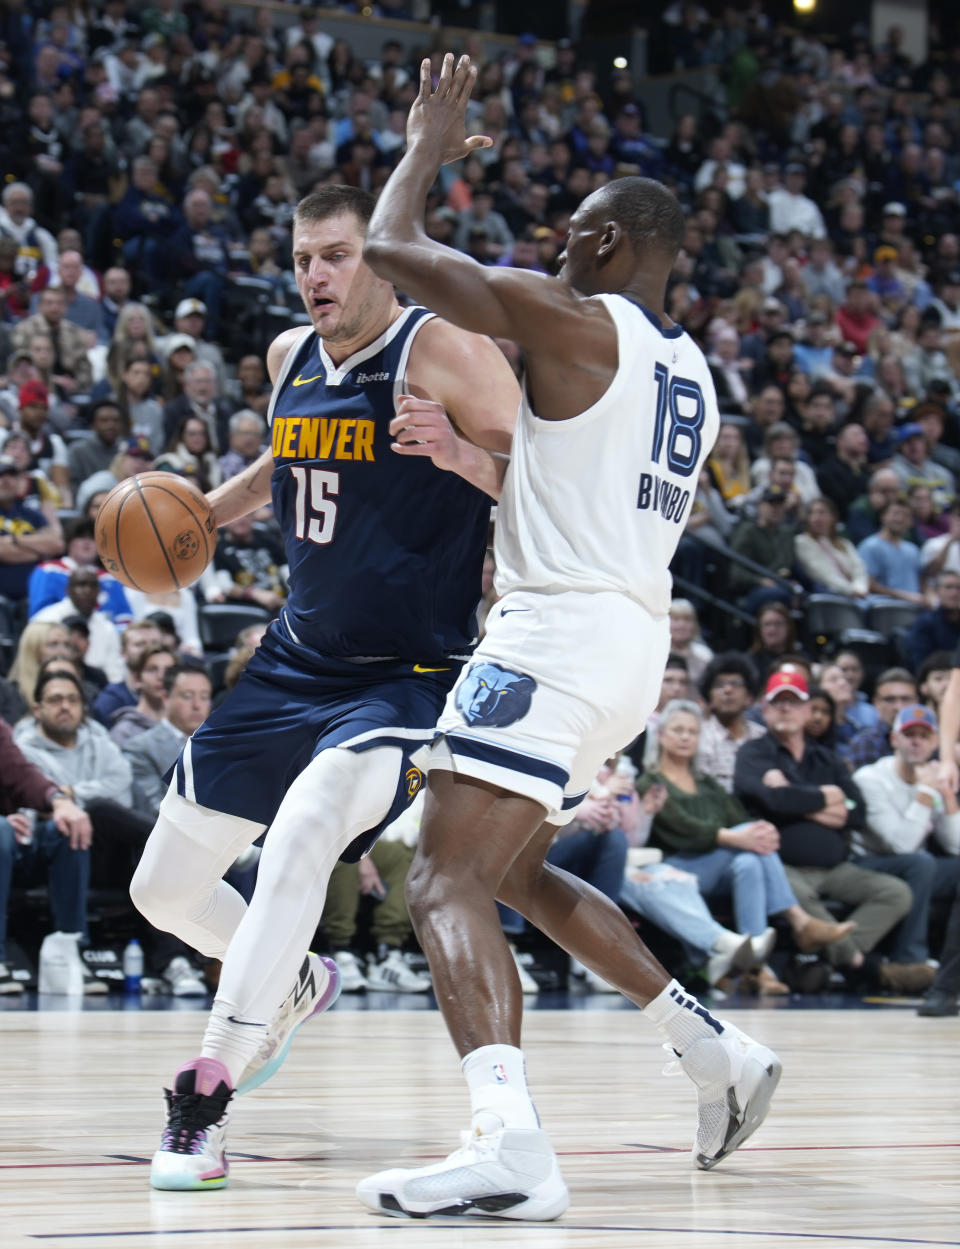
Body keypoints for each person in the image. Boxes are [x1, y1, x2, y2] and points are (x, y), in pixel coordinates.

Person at [355, 55, 781, 1220]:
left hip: (549, 642)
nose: (552, 251)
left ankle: (509, 1147)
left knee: (437, 875)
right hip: (630, 648)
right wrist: (478, 463)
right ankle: (712, 1053)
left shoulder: (575, 318)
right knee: (518, 870)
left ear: (601, 247)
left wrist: (427, 148)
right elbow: (589, 497)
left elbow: (394, 255)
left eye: (568, 236)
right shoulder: (685, 371)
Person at [130, 180, 520, 1192]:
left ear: (381, 259)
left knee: (306, 834)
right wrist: (207, 511)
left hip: (403, 676)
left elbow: (554, 475)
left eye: (337, 255)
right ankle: (296, 978)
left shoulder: (444, 352)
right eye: (304, 257)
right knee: (159, 888)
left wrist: (463, 458)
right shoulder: (288, 358)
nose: (316, 275)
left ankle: (205, 1091)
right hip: (291, 660)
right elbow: (287, 455)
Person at [734, 667, 914, 986]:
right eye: (778, 703)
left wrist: (790, 793)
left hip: (836, 868)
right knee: (802, 900)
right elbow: (766, 799)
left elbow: (857, 811)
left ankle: (824, 960)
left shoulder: (826, 758)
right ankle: (860, 966)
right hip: (781, 864)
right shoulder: (753, 753)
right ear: (765, 709)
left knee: (895, 893)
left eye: (794, 702)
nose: (786, 709)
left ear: (807, 710)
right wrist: (825, 800)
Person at [853, 704, 959, 979]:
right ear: (894, 739)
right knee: (920, 863)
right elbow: (901, 845)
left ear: (936, 742)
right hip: (866, 864)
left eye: (924, 736)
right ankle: (909, 958)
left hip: (917, 866)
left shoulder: (933, 778)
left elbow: (956, 846)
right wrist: (925, 793)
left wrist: (946, 794)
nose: (916, 742)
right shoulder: (871, 779)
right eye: (909, 734)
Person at [695, 652, 767, 793]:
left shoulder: (762, 736)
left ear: (749, 697)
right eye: (719, 685)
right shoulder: (698, 736)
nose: (728, 690)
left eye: (736, 684)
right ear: (708, 698)